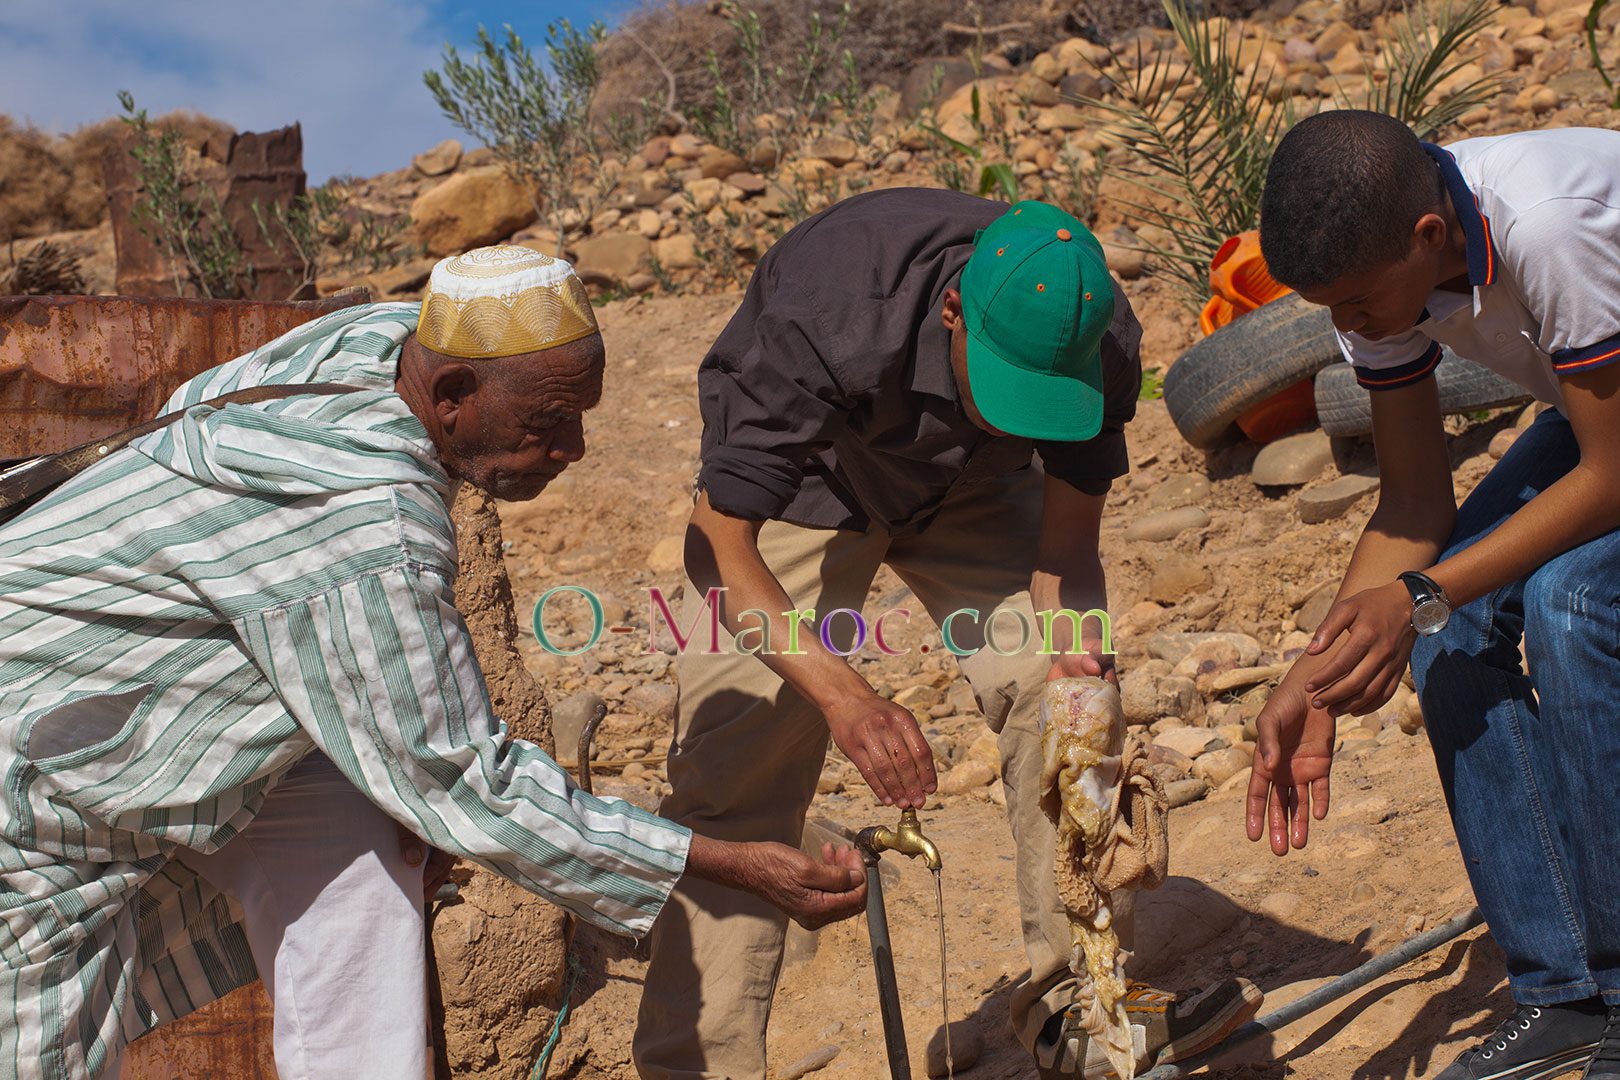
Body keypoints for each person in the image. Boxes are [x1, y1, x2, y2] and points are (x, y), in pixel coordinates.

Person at [0, 245, 867, 1080]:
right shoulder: (373, 525)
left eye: (580, 417)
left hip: (139, 698)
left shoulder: (382, 342)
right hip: (32, 774)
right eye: (547, 421)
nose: (573, 448)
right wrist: (732, 863)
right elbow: (467, 778)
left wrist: (415, 798)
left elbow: (430, 773)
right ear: (451, 394)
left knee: (366, 830)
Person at [633, 189, 1262, 1080]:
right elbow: (722, 546)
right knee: (737, 762)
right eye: (1006, 386)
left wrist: (1080, 671)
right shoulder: (829, 310)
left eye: (1042, 401)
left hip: (972, 486)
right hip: (812, 488)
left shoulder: (1098, 334)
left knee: (1066, 699)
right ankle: (695, 1068)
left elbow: (1069, 548)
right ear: (953, 306)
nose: (1020, 412)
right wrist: (846, 696)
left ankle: (1082, 1011)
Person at [1252, 112, 1620, 1080]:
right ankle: (1564, 994)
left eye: (1359, 302)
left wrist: (1419, 587)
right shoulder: (1379, 287)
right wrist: (1315, 679)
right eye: (1330, 308)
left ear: (1426, 238)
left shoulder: (1546, 221)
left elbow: (1612, 476)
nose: (1353, 324)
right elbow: (1414, 504)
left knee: (1571, 606)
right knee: (1442, 627)